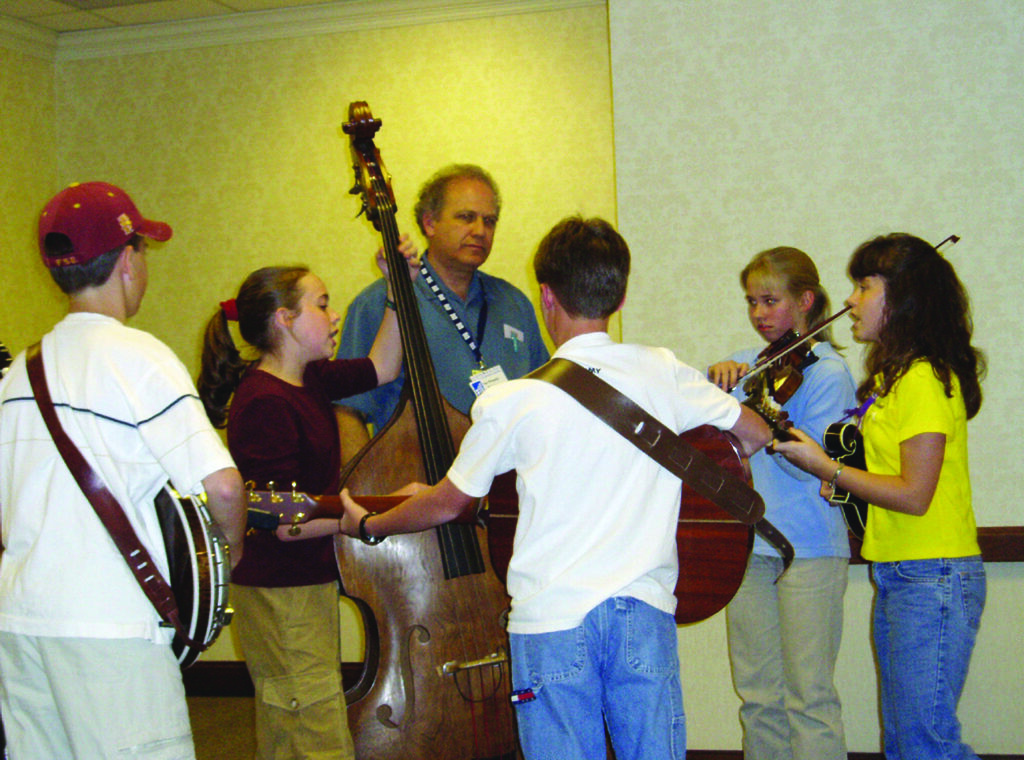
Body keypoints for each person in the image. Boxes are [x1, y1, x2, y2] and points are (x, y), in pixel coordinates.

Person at [337, 216, 772, 760]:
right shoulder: (663, 370)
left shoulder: (513, 400)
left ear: (546, 296)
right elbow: (752, 435)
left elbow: (450, 502)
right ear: (620, 294)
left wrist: (369, 523)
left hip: (551, 619)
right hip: (644, 612)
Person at [0, 181, 247, 758]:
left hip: (18, 622)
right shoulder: (139, 357)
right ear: (128, 259)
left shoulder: (17, 378)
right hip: (111, 632)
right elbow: (223, 485)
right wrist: (228, 555)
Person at [774, 233, 987, 760]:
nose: (849, 299)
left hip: (932, 574)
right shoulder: (896, 379)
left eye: (864, 286)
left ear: (903, 298)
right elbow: (892, 483)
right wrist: (838, 478)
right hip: (903, 571)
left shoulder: (922, 379)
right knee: (906, 744)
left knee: (925, 744)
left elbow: (916, 495)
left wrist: (829, 469)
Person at [196, 249, 415, 760]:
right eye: (322, 304)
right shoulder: (263, 401)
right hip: (279, 593)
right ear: (285, 320)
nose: (334, 314)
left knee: (293, 723)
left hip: (304, 584)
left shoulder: (310, 378)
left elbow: (384, 366)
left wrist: (397, 289)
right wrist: (366, 513)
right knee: (314, 732)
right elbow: (282, 520)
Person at [708, 247, 856, 760]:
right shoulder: (749, 369)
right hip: (751, 545)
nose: (758, 313)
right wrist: (716, 389)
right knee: (757, 696)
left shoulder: (829, 373)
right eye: (752, 301)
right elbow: (712, 447)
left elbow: (808, 463)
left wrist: (763, 421)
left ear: (806, 301)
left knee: (808, 696)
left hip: (810, 548)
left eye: (770, 300)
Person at [334, 163, 549, 452]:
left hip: (507, 486)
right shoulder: (380, 302)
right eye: (466, 217)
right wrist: (366, 490)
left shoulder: (515, 303)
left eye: (489, 221)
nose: (480, 231)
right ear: (429, 223)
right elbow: (348, 412)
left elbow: (543, 400)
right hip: (415, 484)